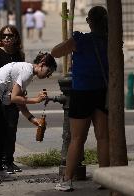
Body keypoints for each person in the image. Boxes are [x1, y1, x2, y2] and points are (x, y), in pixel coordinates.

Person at [0, 52, 57, 186]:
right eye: (49, 71)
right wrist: (36, 100)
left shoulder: (26, 71)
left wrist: (32, 119)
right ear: (42, 64)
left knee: (0, 134)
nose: (48, 75)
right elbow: (15, 98)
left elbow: (19, 101)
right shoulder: (27, 71)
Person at [51, 6, 109, 191]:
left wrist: (72, 39)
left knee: (77, 138)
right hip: (103, 91)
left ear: (90, 21)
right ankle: (105, 178)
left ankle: (66, 180)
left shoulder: (81, 40)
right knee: (103, 137)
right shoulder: (111, 41)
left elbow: (55, 52)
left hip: (82, 91)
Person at [0, 25, 24, 175]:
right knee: (0, 131)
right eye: (4, 36)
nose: (6, 38)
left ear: (16, 38)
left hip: (13, 98)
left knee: (11, 129)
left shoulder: (19, 55)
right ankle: (0, 162)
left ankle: (9, 160)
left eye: (10, 35)